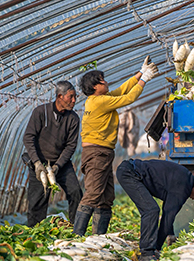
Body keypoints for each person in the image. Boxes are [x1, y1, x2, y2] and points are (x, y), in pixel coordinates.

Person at [74, 58, 157, 236]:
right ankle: (77, 236)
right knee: (94, 194)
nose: (107, 82)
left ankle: (98, 237)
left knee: (105, 197)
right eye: (103, 81)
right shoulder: (98, 102)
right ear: (95, 87)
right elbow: (128, 97)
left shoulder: (99, 99)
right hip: (96, 153)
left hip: (102, 153)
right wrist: (145, 80)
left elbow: (121, 90)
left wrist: (140, 73)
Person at [115, 158, 194, 261]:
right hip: (130, 173)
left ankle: (149, 250)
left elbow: (169, 209)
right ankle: (147, 253)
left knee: (152, 209)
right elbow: (168, 217)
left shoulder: (185, 177)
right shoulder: (183, 188)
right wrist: (157, 247)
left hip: (129, 168)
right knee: (151, 210)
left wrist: (170, 234)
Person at [22, 81, 83, 227]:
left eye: (75, 97)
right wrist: (36, 163)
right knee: (38, 200)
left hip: (60, 164)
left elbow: (70, 146)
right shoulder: (40, 112)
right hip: (40, 164)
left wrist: (57, 167)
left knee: (76, 192)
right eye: (71, 97)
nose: (74, 100)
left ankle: (77, 228)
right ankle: (35, 233)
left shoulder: (73, 118)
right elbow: (28, 137)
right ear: (60, 96)